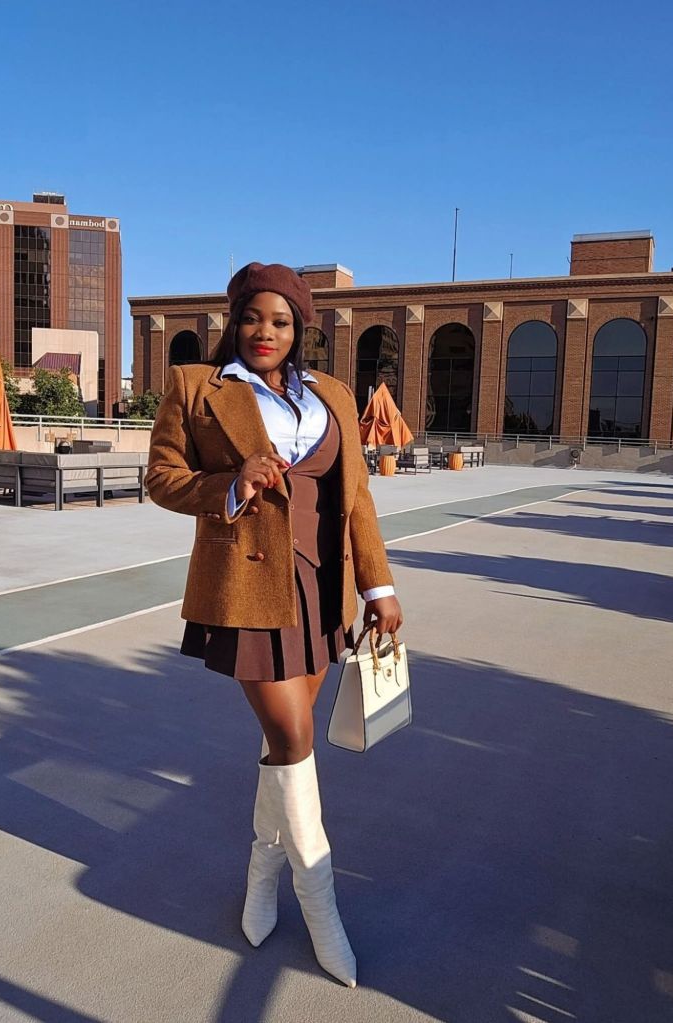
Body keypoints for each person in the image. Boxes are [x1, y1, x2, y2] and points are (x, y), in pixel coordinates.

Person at [145, 262, 403, 988]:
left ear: (300, 330)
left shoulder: (334, 395)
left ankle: (260, 879)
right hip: (247, 587)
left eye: (281, 321)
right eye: (254, 317)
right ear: (235, 320)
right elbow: (160, 478)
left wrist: (379, 585)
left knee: (281, 746)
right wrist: (230, 483)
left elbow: (357, 499)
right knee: (292, 739)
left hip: (323, 588)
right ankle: (321, 905)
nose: (266, 331)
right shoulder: (196, 386)